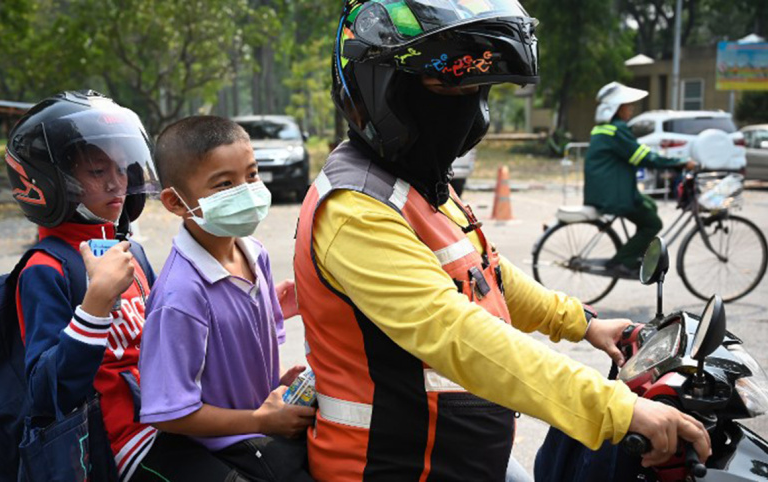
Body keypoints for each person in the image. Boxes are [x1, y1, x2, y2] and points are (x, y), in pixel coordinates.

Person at [292, 1, 711, 481]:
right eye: (449, 86)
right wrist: (615, 409)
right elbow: (457, 334)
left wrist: (583, 323)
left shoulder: (418, 183)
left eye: (478, 90)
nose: (467, 107)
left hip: (456, 459)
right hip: (394, 467)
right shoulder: (356, 211)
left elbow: (488, 274)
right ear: (380, 88)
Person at [7, 91, 243, 482]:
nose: (118, 183)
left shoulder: (130, 251)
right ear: (48, 181)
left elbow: (170, 337)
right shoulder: (46, 269)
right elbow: (46, 392)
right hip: (123, 443)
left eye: (123, 169)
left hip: (174, 418)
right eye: (98, 172)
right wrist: (94, 307)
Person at [139, 115, 315, 482]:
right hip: (227, 453)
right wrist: (260, 419)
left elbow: (233, 363)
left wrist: (278, 386)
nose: (247, 191)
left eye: (251, 175)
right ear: (174, 201)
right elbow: (171, 413)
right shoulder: (180, 294)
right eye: (224, 184)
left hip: (265, 429)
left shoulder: (255, 253)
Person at [585, 81, 696, 278]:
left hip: (607, 190)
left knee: (650, 206)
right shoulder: (616, 130)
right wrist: (679, 163)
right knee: (653, 224)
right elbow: (643, 157)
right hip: (615, 195)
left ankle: (636, 254)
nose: (632, 109)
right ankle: (622, 261)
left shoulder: (604, 128)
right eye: (628, 106)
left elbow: (639, 154)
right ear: (617, 109)